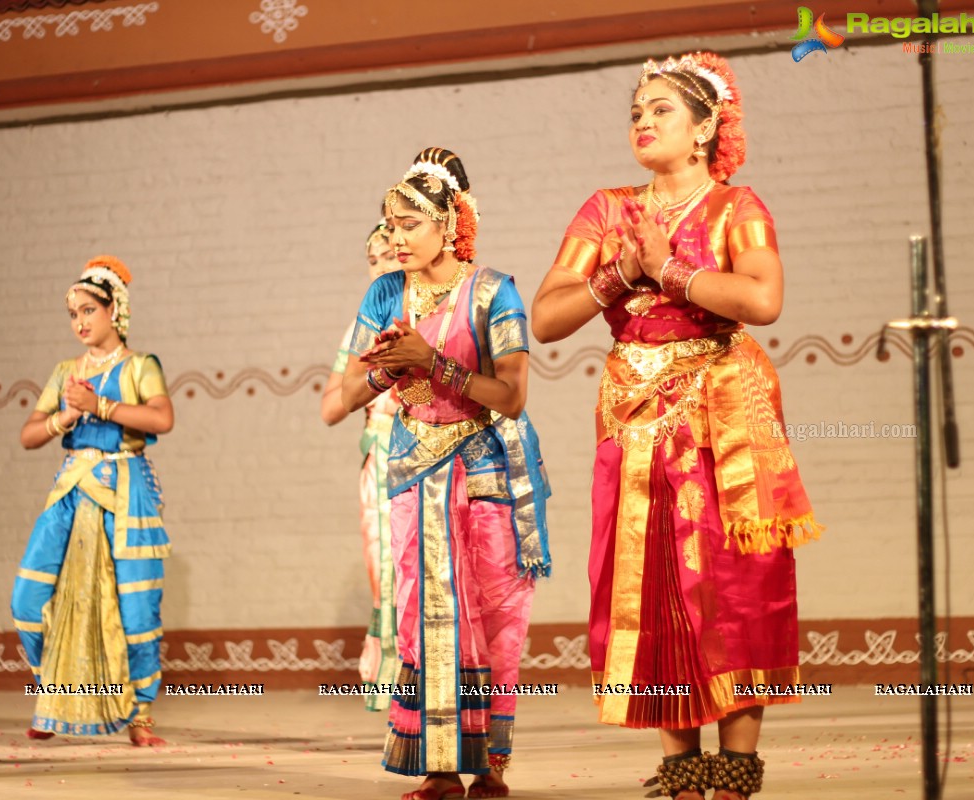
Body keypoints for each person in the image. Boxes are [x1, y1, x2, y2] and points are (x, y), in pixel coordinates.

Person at [531, 53, 822, 800]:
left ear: (704, 130)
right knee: (649, 575)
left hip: (723, 410)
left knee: (734, 581)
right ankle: (682, 769)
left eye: (661, 109)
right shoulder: (606, 209)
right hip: (635, 418)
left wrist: (671, 272)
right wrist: (618, 273)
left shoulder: (736, 207)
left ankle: (735, 772)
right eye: (636, 110)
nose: (642, 120)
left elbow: (762, 300)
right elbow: (547, 316)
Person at [342, 147, 551, 800]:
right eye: (392, 224)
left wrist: (434, 365)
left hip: (488, 470)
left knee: (494, 618)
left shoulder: (495, 291)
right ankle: (437, 765)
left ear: (449, 221)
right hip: (414, 469)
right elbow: (351, 383)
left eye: (410, 223)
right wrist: (387, 369)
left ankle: (489, 764)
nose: (397, 236)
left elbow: (512, 397)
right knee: (424, 615)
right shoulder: (386, 294)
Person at [11, 255, 174, 747]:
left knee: (136, 612)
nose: (80, 322)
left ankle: (139, 715)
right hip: (71, 488)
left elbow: (162, 420)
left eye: (88, 311)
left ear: (114, 312)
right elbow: (28, 435)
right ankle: (56, 697)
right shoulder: (65, 372)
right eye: (73, 314)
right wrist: (65, 417)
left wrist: (99, 406)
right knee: (28, 601)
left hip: (127, 492)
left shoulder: (140, 366)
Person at [321, 222, 403, 712]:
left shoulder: (442, 310)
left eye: (388, 255)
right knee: (387, 574)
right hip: (383, 456)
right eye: (371, 260)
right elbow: (331, 408)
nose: (380, 267)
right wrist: (377, 374)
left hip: (440, 450)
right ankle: (401, 700)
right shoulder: (362, 327)